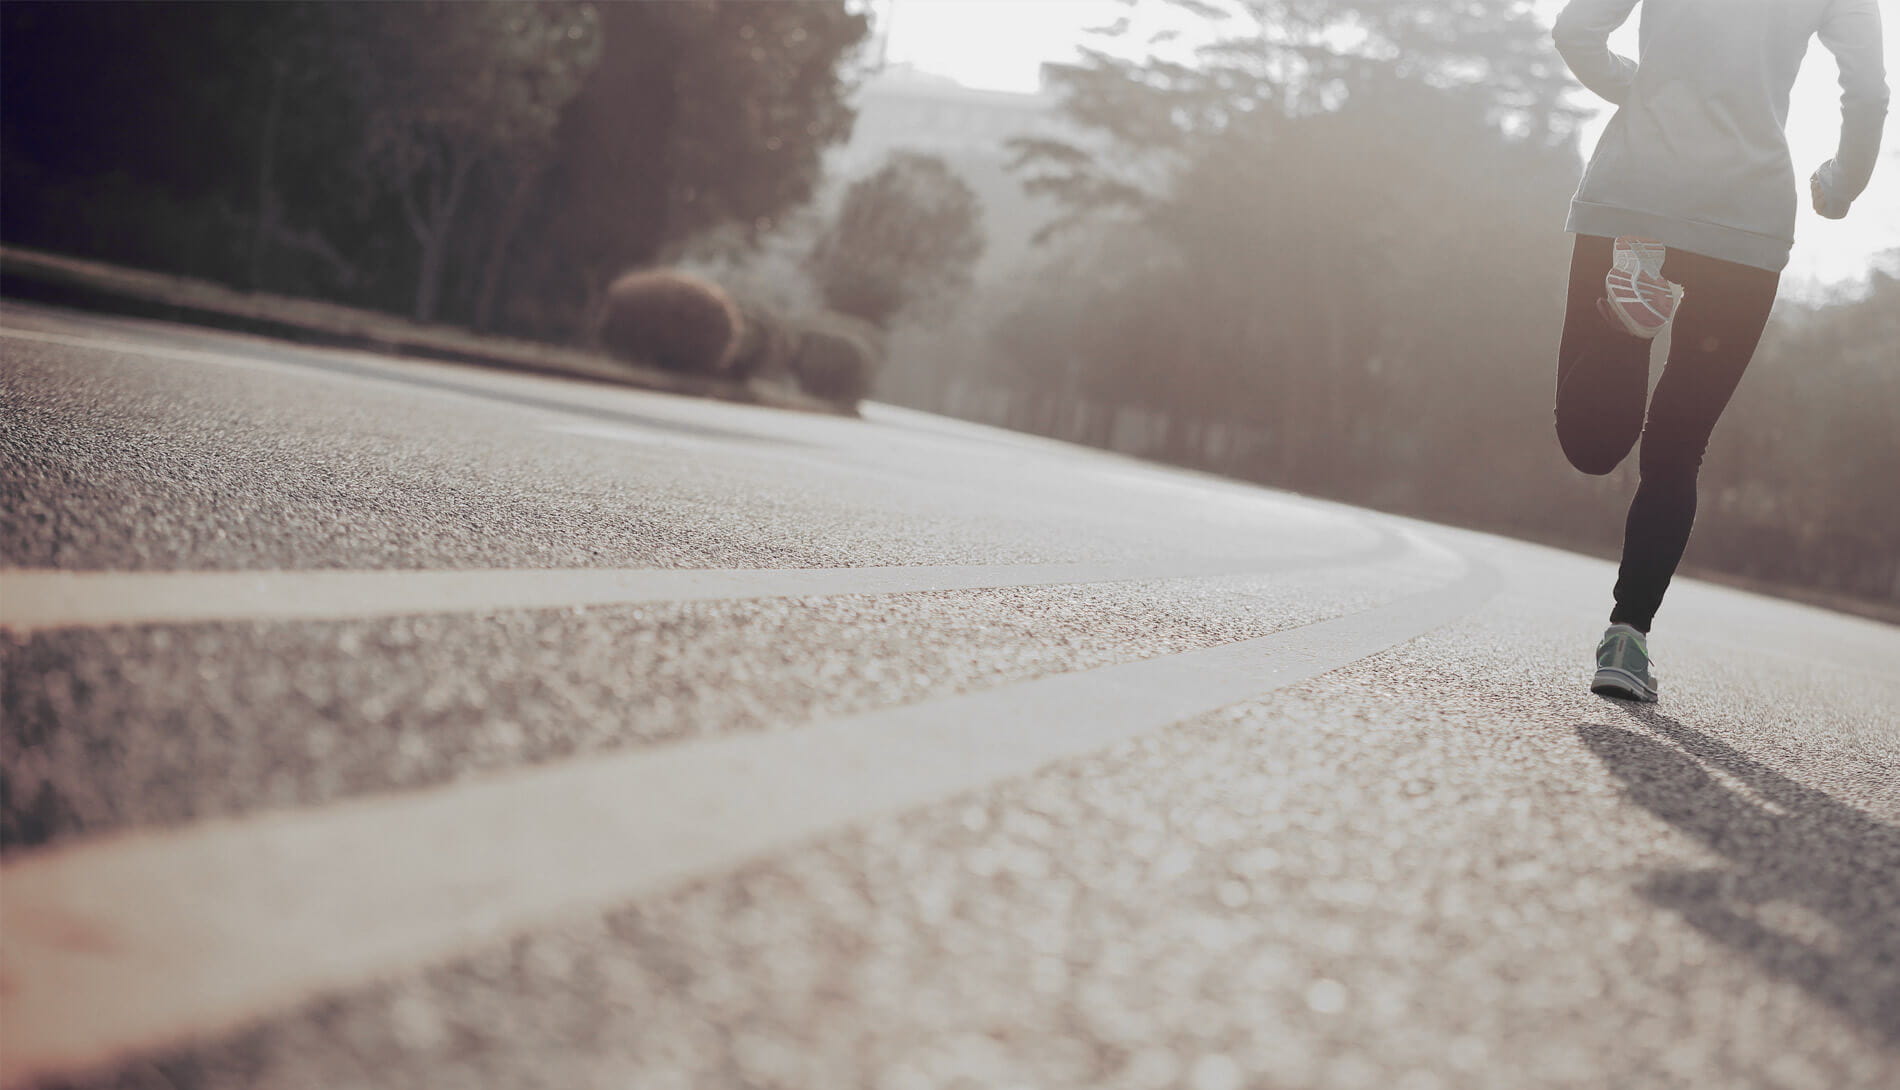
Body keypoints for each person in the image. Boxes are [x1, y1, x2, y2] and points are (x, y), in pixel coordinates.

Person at [1549, 0, 1888, 702]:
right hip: (1745, 220)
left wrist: (1639, 87)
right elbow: (1867, 92)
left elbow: (1576, 29)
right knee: (1678, 448)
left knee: (1591, 447)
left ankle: (1624, 319)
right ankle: (1626, 638)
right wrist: (1842, 183)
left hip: (1635, 194)